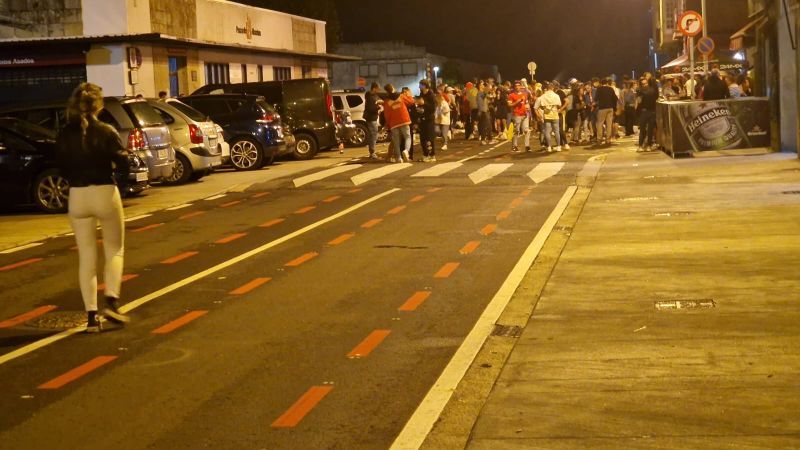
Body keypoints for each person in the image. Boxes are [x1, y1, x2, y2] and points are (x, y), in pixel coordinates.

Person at [55, 83, 131, 332]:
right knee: (114, 250)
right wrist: (119, 178)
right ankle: (112, 301)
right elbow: (123, 161)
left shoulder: (64, 133)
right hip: (104, 192)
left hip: (77, 196)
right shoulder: (106, 131)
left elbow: (61, 166)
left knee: (86, 257)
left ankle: (90, 318)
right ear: (99, 105)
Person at [383, 84, 414, 163]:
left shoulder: (387, 101)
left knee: (396, 141)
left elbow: (387, 114)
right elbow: (411, 102)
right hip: (404, 120)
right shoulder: (401, 96)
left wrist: (387, 124)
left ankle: (399, 158)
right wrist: (409, 95)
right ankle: (406, 151)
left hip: (394, 123)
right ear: (393, 88)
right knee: (407, 137)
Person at [535, 82, 562, 152]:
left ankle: (549, 147)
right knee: (556, 131)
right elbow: (559, 105)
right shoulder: (556, 96)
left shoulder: (543, 96)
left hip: (546, 116)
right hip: (555, 115)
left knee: (547, 132)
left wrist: (539, 115)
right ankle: (559, 146)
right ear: (553, 88)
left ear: (547, 88)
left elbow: (535, 107)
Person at [507, 80, 531, 152]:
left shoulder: (524, 94)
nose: (517, 87)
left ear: (521, 86)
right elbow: (509, 105)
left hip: (525, 114)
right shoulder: (511, 95)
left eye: (518, 85)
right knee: (516, 131)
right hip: (516, 115)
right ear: (514, 87)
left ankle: (527, 146)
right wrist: (517, 102)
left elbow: (526, 103)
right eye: (516, 86)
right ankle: (514, 146)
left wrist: (528, 108)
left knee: (527, 130)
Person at [417, 79, 437, 162]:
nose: (419, 87)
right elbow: (420, 104)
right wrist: (419, 109)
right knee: (422, 138)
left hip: (429, 119)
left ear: (425, 85)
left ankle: (432, 155)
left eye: (421, 85)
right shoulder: (421, 94)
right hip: (422, 119)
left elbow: (433, 108)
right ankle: (425, 154)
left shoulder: (431, 95)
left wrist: (424, 104)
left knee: (429, 137)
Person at [637, 77, 658, 151]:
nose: (644, 85)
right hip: (652, 111)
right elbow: (656, 98)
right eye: (643, 84)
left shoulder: (639, 91)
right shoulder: (653, 90)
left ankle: (640, 146)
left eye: (645, 83)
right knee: (650, 129)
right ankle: (649, 146)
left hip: (644, 112)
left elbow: (639, 102)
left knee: (643, 130)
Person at [595, 78, 618, 144]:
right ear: (607, 83)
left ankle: (599, 139)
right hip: (610, 108)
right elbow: (615, 99)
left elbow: (596, 98)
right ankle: (608, 139)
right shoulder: (611, 89)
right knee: (609, 124)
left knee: (599, 123)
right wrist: (614, 108)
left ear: (601, 83)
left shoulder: (599, 89)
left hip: (602, 108)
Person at [364, 82, 383, 159]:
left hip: (372, 118)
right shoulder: (371, 97)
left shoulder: (373, 96)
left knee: (373, 135)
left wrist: (379, 103)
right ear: (374, 88)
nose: (378, 90)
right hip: (371, 118)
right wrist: (379, 108)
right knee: (373, 135)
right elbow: (371, 108)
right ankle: (372, 153)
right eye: (378, 89)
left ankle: (372, 152)